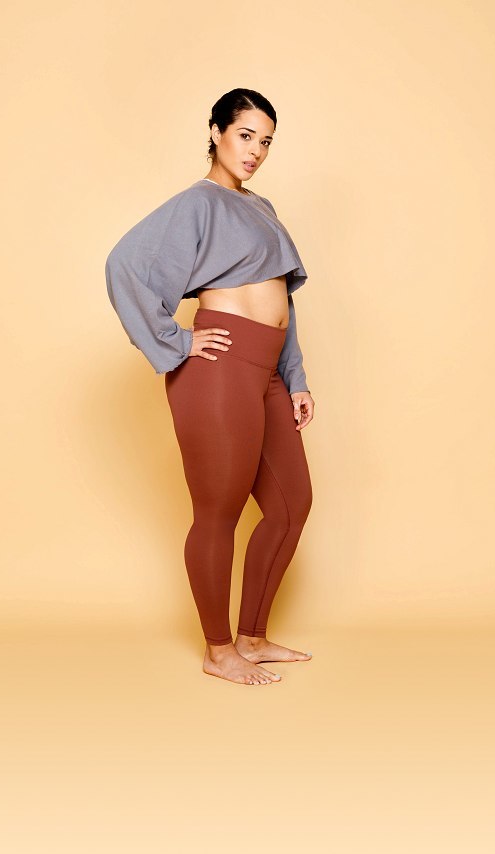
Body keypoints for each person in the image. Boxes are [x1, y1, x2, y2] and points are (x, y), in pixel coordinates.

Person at [105, 88, 314, 686]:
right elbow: (124, 266)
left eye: (266, 141)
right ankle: (219, 649)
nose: (255, 151)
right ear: (217, 132)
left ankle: (252, 637)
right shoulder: (197, 203)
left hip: (267, 372)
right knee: (219, 510)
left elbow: (283, 304)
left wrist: (295, 378)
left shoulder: (262, 207)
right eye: (245, 135)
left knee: (291, 505)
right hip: (218, 369)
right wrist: (176, 342)